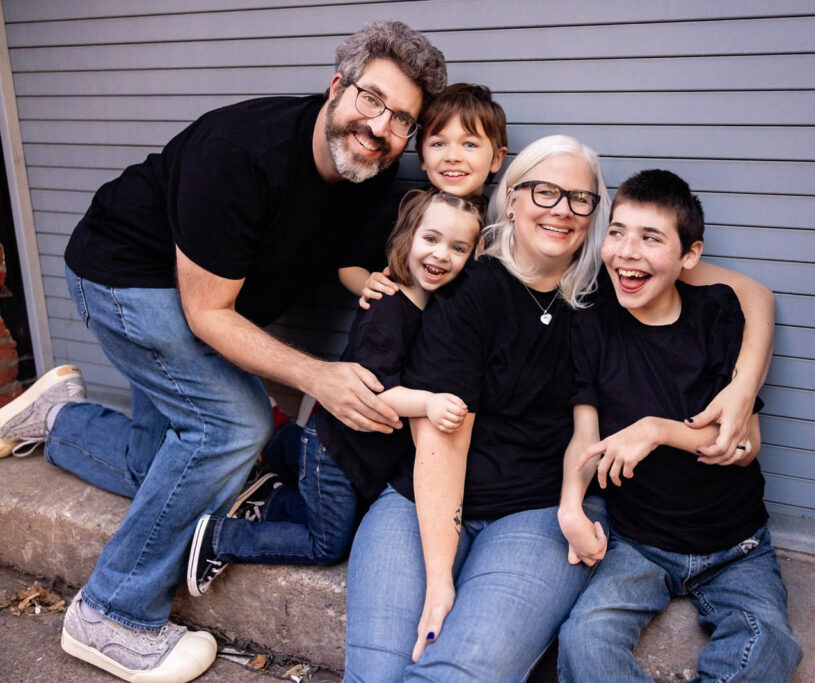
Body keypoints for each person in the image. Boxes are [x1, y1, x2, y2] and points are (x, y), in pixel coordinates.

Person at [0, 21, 446, 683]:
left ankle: (60, 421)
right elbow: (207, 314)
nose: (381, 126)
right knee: (230, 426)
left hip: (197, 299)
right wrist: (319, 378)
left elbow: (346, 256)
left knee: (167, 461)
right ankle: (111, 611)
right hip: (123, 275)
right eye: (371, 99)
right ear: (336, 87)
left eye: (402, 119)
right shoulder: (244, 150)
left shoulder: (372, 173)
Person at [343, 137, 776, 681]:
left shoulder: (612, 285)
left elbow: (754, 295)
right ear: (513, 199)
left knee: (455, 673)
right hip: (422, 499)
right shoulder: (467, 284)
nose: (561, 210)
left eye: (579, 198)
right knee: (374, 674)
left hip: (538, 511)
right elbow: (439, 437)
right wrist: (439, 577)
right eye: (544, 192)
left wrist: (743, 387)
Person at [557, 169, 802, 682]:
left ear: (690, 256)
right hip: (637, 542)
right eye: (618, 231)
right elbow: (586, 435)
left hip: (736, 546)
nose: (627, 252)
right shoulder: (592, 323)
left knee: (768, 647)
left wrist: (657, 429)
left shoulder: (716, 315)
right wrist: (571, 505)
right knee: (585, 639)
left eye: (651, 239)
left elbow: (743, 445)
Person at [186, 188, 481, 594]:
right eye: (431, 239)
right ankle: (221, 537)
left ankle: (279, 456)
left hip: (353, 453)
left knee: (341, 510)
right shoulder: (388, 311)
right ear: (407, 237)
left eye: (458, 247)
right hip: (336, 455)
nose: (441, 254)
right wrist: (428, 403)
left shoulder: (432, 306)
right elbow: (371, 394)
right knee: (326, 543)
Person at [341, 82, 508, 305]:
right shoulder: (402, 208)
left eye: (469, 144)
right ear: (421, 157)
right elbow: (348, 266)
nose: (452, 156)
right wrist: (369, 283)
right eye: (439, 143)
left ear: (497, 158)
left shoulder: (497, 223)